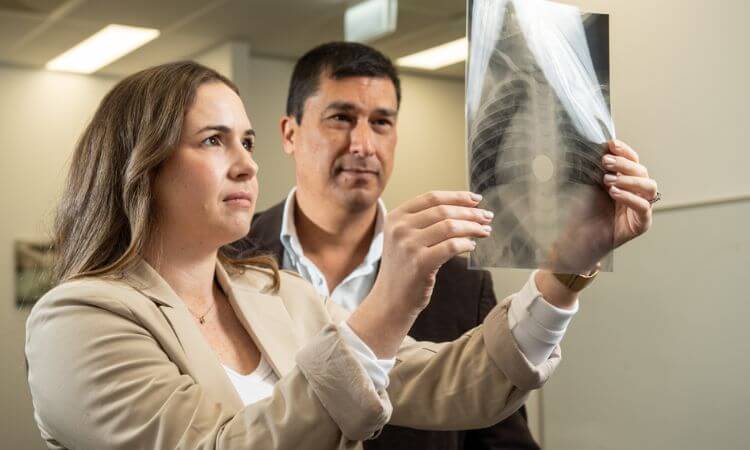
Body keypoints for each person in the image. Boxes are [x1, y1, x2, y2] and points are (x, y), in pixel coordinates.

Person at [24, 60, 657, 450]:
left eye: (245, 140)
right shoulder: (79, 319)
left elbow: (451, 386)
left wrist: (564, 273)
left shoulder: (278, 294)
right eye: (213, 141)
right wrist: (388, 303)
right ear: (140, 166)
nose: (247, 163)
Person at [232, 41, 543, 450]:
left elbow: (502, 442)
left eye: (381, 122)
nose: (363, 145)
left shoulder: (460, 286)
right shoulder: (227, 260)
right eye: (341, 118)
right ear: (290, 134)